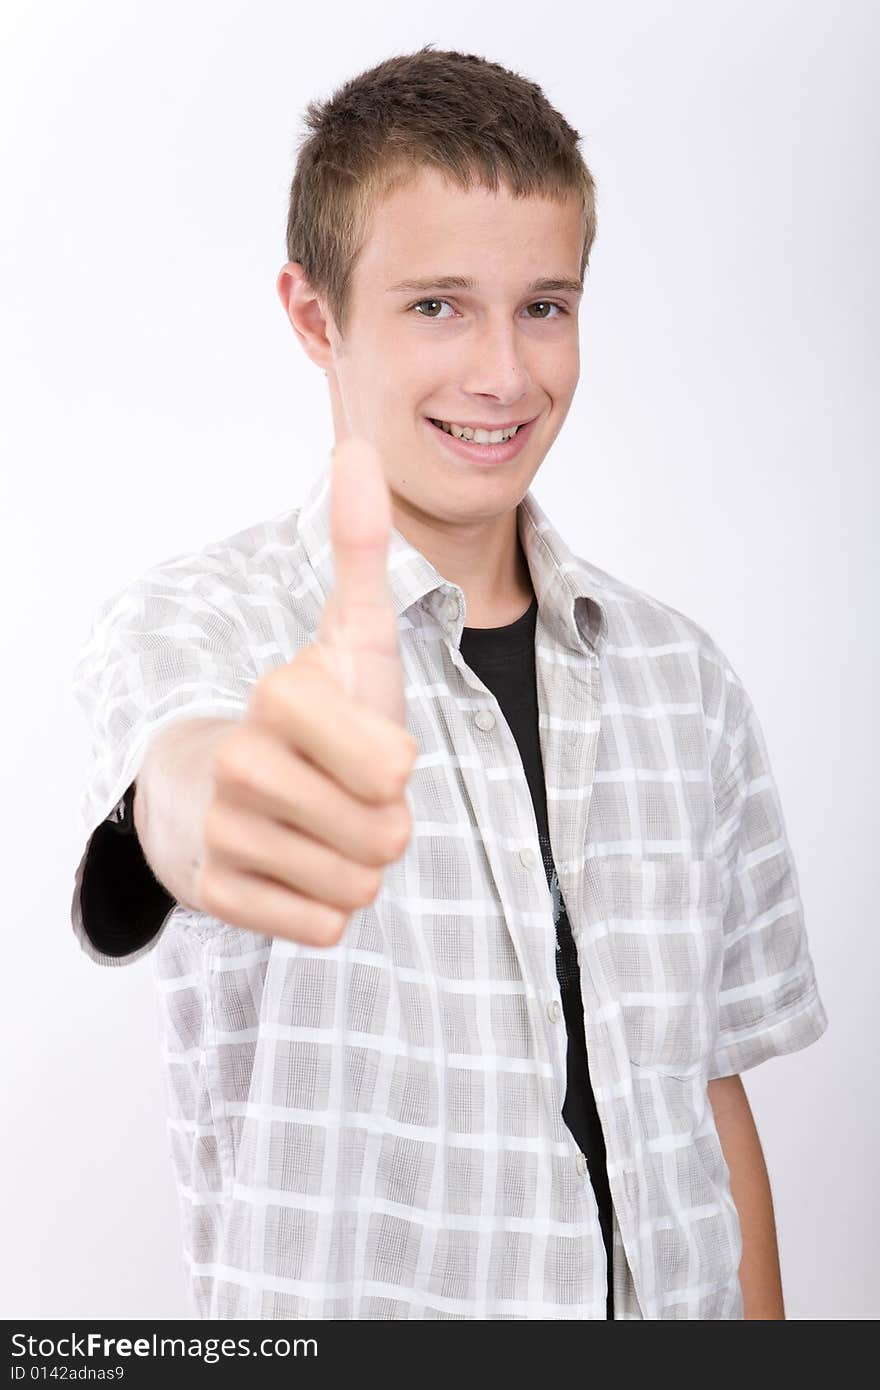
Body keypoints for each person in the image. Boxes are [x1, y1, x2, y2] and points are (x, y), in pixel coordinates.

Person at [70, 45, 828, 1321]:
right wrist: (216, 809)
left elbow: (707, 1094)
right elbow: (182, 788)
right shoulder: (205, 622)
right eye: (436, 306)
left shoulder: (683, 682)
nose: (502, 374)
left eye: (544, 305)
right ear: (316, 316)